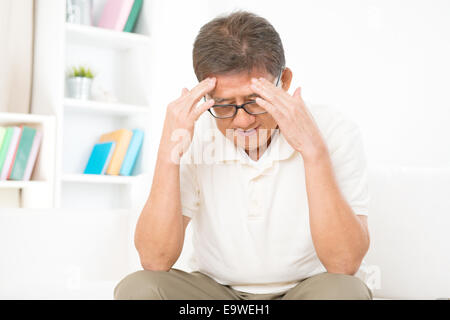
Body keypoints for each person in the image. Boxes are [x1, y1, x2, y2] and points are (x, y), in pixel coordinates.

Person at [114, 11, 373, 300]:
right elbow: (154, 260)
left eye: (254, 102)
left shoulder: (336, 130)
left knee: (345, 293)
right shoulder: (197, 133)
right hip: (219, 297)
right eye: (224, 106)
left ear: (283, 81)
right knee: (138, 288)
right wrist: (167, 154)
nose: (242, 122)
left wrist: (313, 152)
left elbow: (345, 264)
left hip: (307, 291)